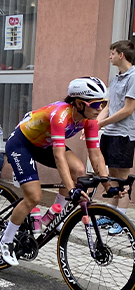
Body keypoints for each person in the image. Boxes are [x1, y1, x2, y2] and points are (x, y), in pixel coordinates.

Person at [0, 77, 111, 266]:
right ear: (79, 104)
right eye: (97, 103)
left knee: (79, 170)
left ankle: (55, 213)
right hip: (22, 144)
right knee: (34, 196)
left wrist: (109, 184)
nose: (101, 108)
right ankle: (6, 240)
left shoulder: (90, 120)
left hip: (44, 145)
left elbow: (95, 153)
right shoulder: (61, 115)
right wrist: (72, 190)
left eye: (104, 103)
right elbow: (59, 156)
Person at [95, 40, 135, 234]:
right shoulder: (116, 78)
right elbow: (109, 106)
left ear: (121, 55)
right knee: (111, 176)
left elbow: (128, 109)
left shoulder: (133, 76)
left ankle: (122, 218)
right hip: (110, 133)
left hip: (124, 134)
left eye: (112, 53)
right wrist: (95, 125)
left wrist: (102, 123)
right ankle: (111, 214)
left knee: (123, 178)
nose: (110, 56)